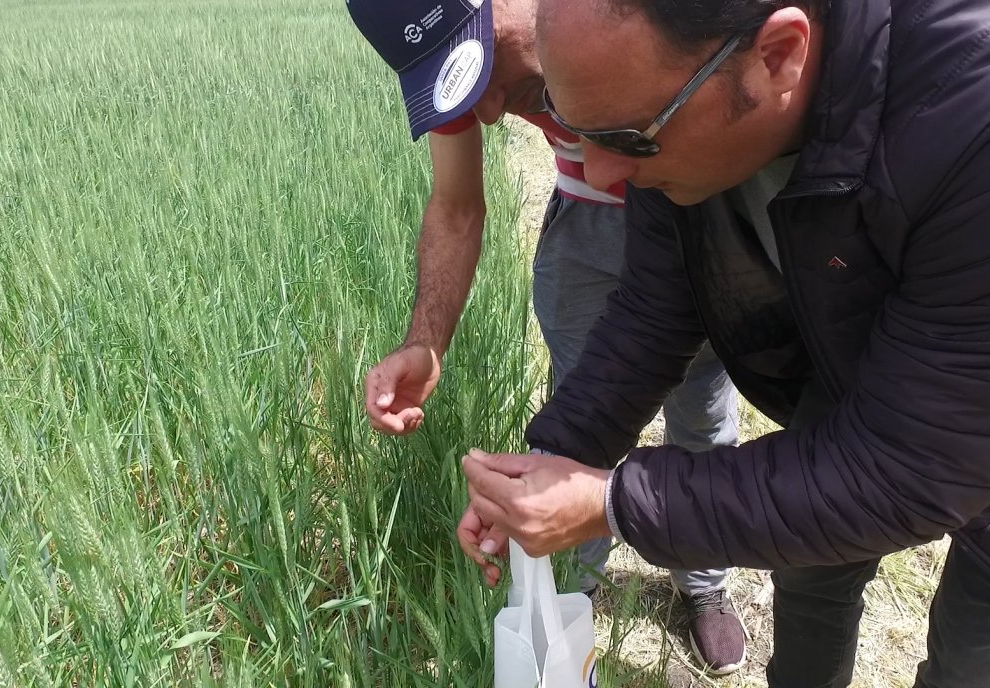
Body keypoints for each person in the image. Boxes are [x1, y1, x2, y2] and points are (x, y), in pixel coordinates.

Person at [458, 0, 990, 685]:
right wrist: (558, 453)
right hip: (863, 365)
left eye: (625, 138)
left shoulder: (970, 114)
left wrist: (615, 503)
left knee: (969, 656)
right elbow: (655, 306)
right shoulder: (661, 103)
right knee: (813, 575)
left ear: (778, 55)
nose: (596, 175)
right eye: (575, 130)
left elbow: (910, 469)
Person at [346, 0, 747, 674]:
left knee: (701, 406)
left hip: (693, 198)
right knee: (583, 405)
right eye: (463, 86)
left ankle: (702, 583)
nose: (495, 109)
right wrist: (427, 340)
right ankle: (575, 571)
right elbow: (456, 202)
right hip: (585, 227)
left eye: (487, 65)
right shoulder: (463, 63)